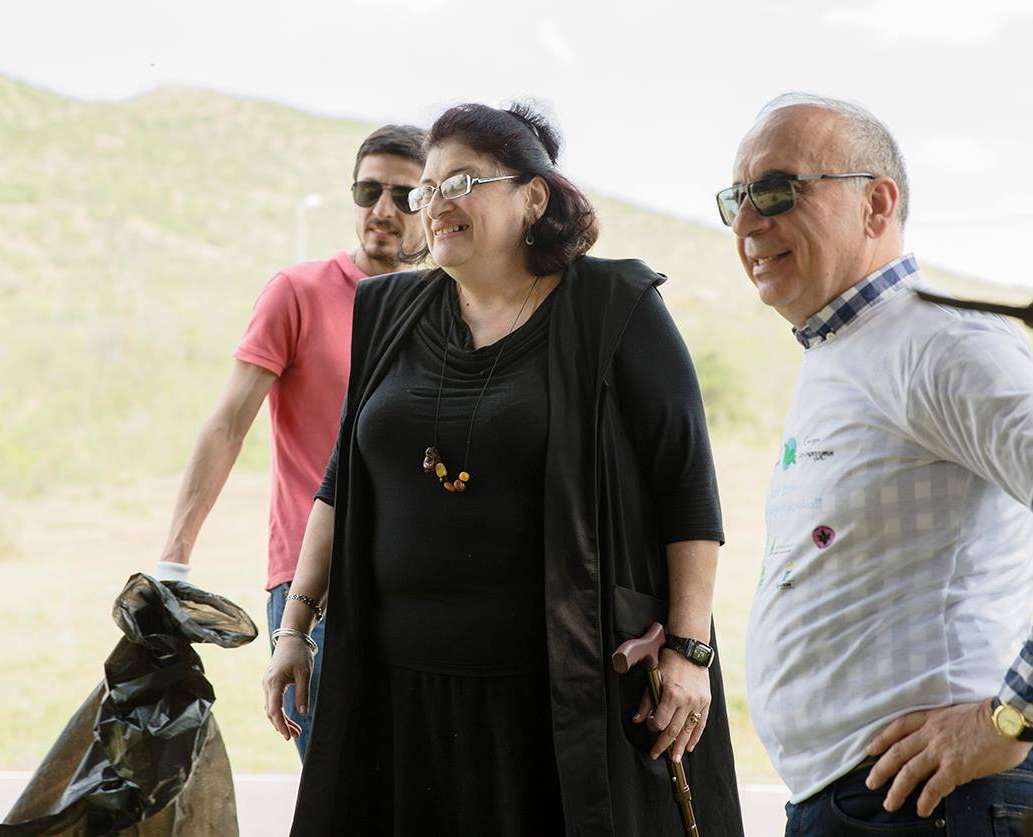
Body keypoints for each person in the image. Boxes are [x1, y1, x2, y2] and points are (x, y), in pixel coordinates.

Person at [262, 101, 745, 836]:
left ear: (533, 198)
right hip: (400, 692)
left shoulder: (612, 305)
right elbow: (343, 482)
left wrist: (689, 650)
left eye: (460, 182)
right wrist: (294, 629)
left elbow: (686, 487)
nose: (434, 204)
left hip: (556, 696)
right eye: (427, 189)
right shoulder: (387, 308)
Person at [723, 93, 1033, 835]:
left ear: (876, 204)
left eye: (773, 191)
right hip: (876, 802)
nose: (745, 224)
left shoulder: (937, 341)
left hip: (931, 804)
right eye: (734, 200)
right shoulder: (851, 348)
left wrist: (1013, 716)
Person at [153, 123, 426, 759]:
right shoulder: (298, 294)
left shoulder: (449, 303)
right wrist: (173, 565)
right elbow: (227, 425)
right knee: (336, 784)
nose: (383, 211)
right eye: (368, 192)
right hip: (314, 588)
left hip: (417, 582)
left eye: (404, 196)